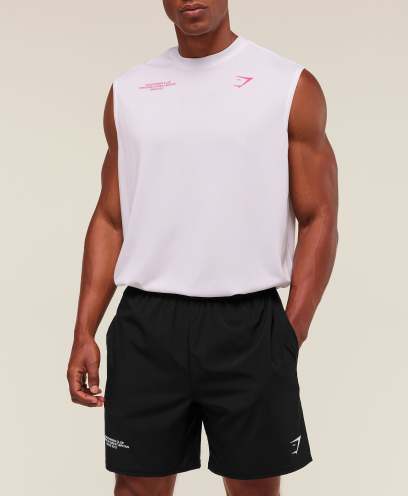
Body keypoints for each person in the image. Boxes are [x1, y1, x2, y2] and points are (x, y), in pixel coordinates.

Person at [67, 1, 338, 494]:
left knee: (254, 490)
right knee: (136, 488)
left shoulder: (288, 85)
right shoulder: (129, 91)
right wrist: (85, 329)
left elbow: (319, 215)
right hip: (147, 324)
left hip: (248, 324)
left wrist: (289, 332)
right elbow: (110, 217)